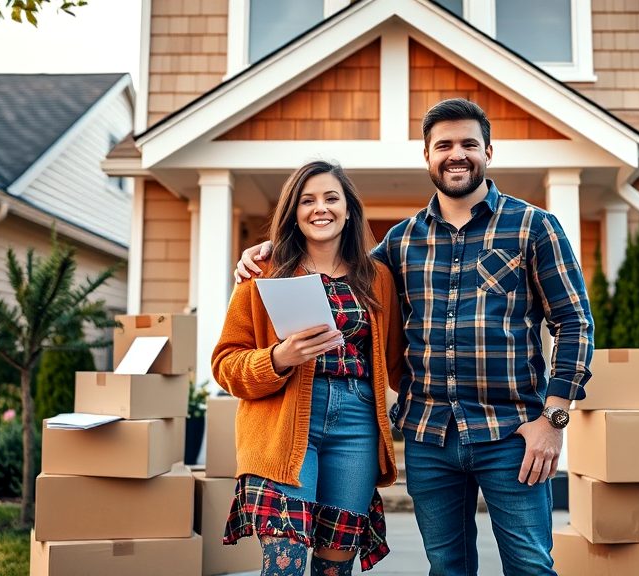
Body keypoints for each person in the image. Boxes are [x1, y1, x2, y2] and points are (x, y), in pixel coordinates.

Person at [237, 99, 594, 575]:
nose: (456, 154)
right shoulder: (401, 242)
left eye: (469, 143)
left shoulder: (535, 227)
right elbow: (341, 261)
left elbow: (573, 323)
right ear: (426, 156)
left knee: (530, 565)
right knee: (447, 568)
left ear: (488, 150)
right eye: (443, 145)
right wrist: (271, 248)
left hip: (512, 433)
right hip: (430, 436)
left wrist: (553, 420)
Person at [212, 160, 406, 576]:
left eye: (331, 198)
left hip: (357, 425)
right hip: (284, 425)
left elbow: (400, 363)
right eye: (308, 200)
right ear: (294, 213)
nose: (321, 208)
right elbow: (225, 364)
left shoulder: (379, 279)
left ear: (349, 209)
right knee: (284, 567)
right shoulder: (262, 272)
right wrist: (279, 358)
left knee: (334, 569)